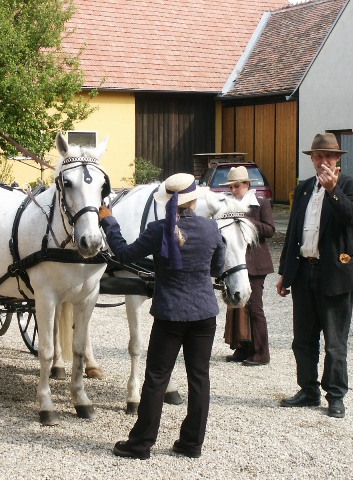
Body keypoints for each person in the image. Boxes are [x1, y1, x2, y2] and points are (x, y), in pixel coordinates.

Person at [99, 173, 226, 460]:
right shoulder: (210, 228)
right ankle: (192, 444)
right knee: (199, 378)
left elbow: (122, 254)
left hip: (170, 314)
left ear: (168, 199)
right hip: (204, 313)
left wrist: (110, 221)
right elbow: (217, 268)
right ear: (194, 199)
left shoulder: (159, 230)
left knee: (156, 378)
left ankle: (141, 443)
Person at [276, 133, 353, 419]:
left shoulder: (350, 186)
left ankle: (335, 396)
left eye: (328, 156)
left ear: (337, 158)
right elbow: (292, 234)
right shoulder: (303, 189)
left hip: (335, 275)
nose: (323, 161)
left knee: (335, 343)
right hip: (304, 273)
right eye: (318, 156)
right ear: (312, 159)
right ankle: (308, 390)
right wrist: (284, 274)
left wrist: (333, 190)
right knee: (303, 339)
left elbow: (352, 219)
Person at [222, 166, 275, 366]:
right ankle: (242, 348)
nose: (234, 190)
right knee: (237, 308)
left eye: (237, 186)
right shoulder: (228, 204)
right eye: (231, 187)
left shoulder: (261, 203)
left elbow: (270, 230)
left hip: (255, 263)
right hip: (235, 262)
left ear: (247, 184)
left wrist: (246, 220)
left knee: (255, 308)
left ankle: (262, 353)